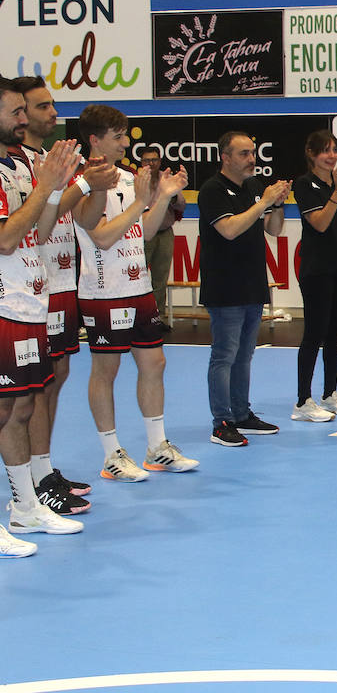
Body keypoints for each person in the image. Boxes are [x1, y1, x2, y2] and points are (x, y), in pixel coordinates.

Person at [71, 104, 197, 477]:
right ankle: (112, 455)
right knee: (105, 369)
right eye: (118, 137)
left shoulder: (129, 178)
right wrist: (144, 202)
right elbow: (104, 236)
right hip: (103, 290)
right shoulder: (81, 181)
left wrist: (163, 196)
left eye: (126, 135)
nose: (126, 143)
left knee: (155, 362)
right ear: (95, 140)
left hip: (138, 285)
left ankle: (157, 447)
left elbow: (143, 230)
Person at [13, 76, 108, 514]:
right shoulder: (25, 162)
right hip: (29, 286)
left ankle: (43, 466)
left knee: (54, 379)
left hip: (59, 280)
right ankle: (33, 475)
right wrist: (81, 184)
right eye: (42, 106)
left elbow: (83, 216)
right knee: (33, 387)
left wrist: (94, 186)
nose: (53, 113)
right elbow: (34, 219)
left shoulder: (51, 159)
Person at [0, 77, 84, 553]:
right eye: (14, 112)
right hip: (3, 304)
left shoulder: (17, 164)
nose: (23, 120)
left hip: (29, 300)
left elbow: (42, 227)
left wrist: (50, 191)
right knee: (2, 409)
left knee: (22, 406)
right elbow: (6, 238)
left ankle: (25, 507)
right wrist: (47, 188)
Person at [196, 131, 291, 447]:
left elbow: (274, 231)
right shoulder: (212, 190)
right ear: (225, 157)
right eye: (244, 154)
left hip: (253, 282)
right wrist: (264, 200)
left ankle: (241, 414)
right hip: (225, 285)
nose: (252, 159)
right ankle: (221, 422)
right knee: (224, 354)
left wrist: (277, 205)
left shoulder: (252, 187)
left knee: (245, 354)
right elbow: (229, 230)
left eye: (253, 153)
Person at [290, 130, 337, 423]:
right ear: (311, 153)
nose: (332, 155)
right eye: (325, 150)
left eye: (335, 149)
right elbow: (320, 224)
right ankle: (302, 401)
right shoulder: (304, 184)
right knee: (314, 333)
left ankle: (329, 394)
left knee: (336, 334)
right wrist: (335, 192)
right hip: (317, 268)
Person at [139, 146, 185, 329]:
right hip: (141, 235)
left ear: (159, 161)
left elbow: (182, 205)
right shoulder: (135, 181)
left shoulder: (167, 180)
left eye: (154, 160)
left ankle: (158, 318)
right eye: (146, 161)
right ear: (141, 163)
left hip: (165, 232)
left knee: (160, 279)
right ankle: (139, 319)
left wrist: (171, 196)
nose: (150, 164)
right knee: (138, 278)